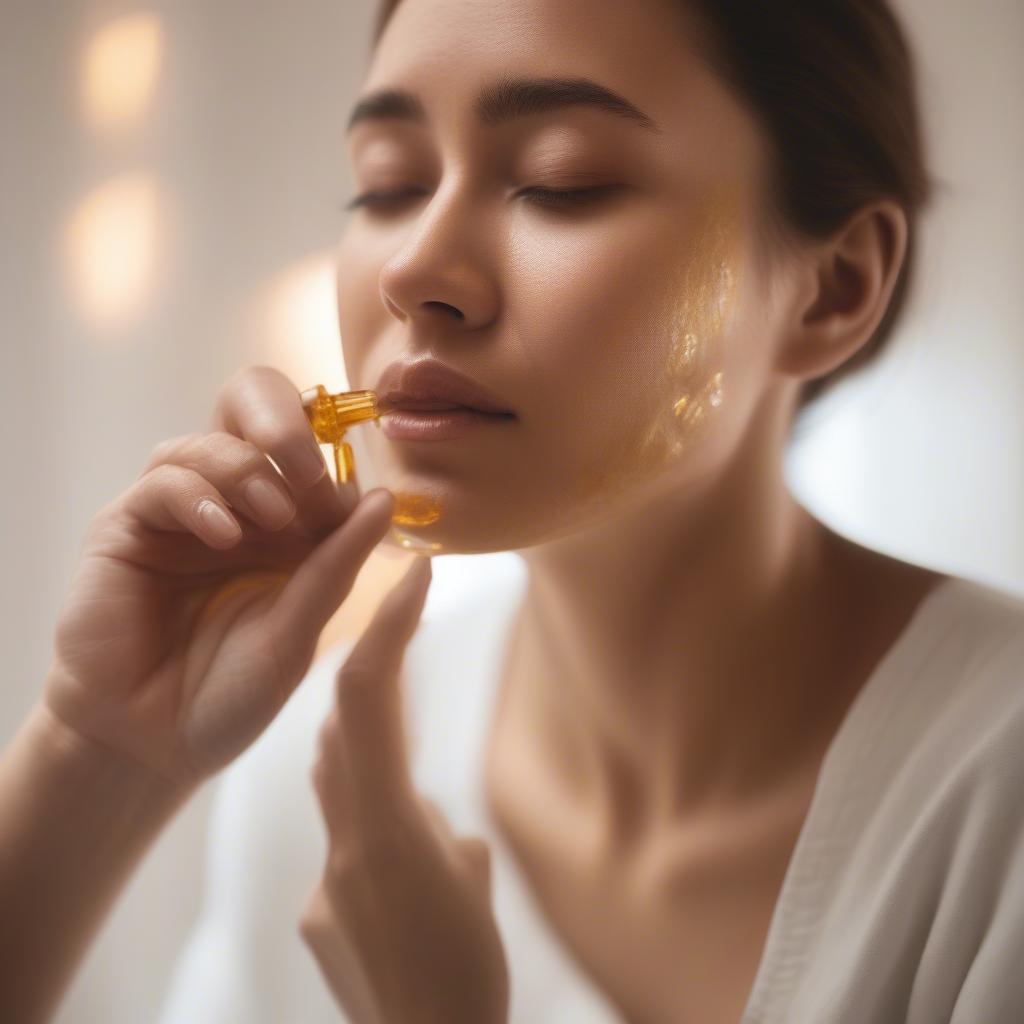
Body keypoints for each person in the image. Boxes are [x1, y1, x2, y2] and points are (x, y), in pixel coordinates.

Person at [2, 0, 1023, 1022]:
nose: (411, 272)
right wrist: (98, 755)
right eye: (387, 186)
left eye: (559, 180)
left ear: (832, 288)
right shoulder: (324, 777)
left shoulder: (993, 796)